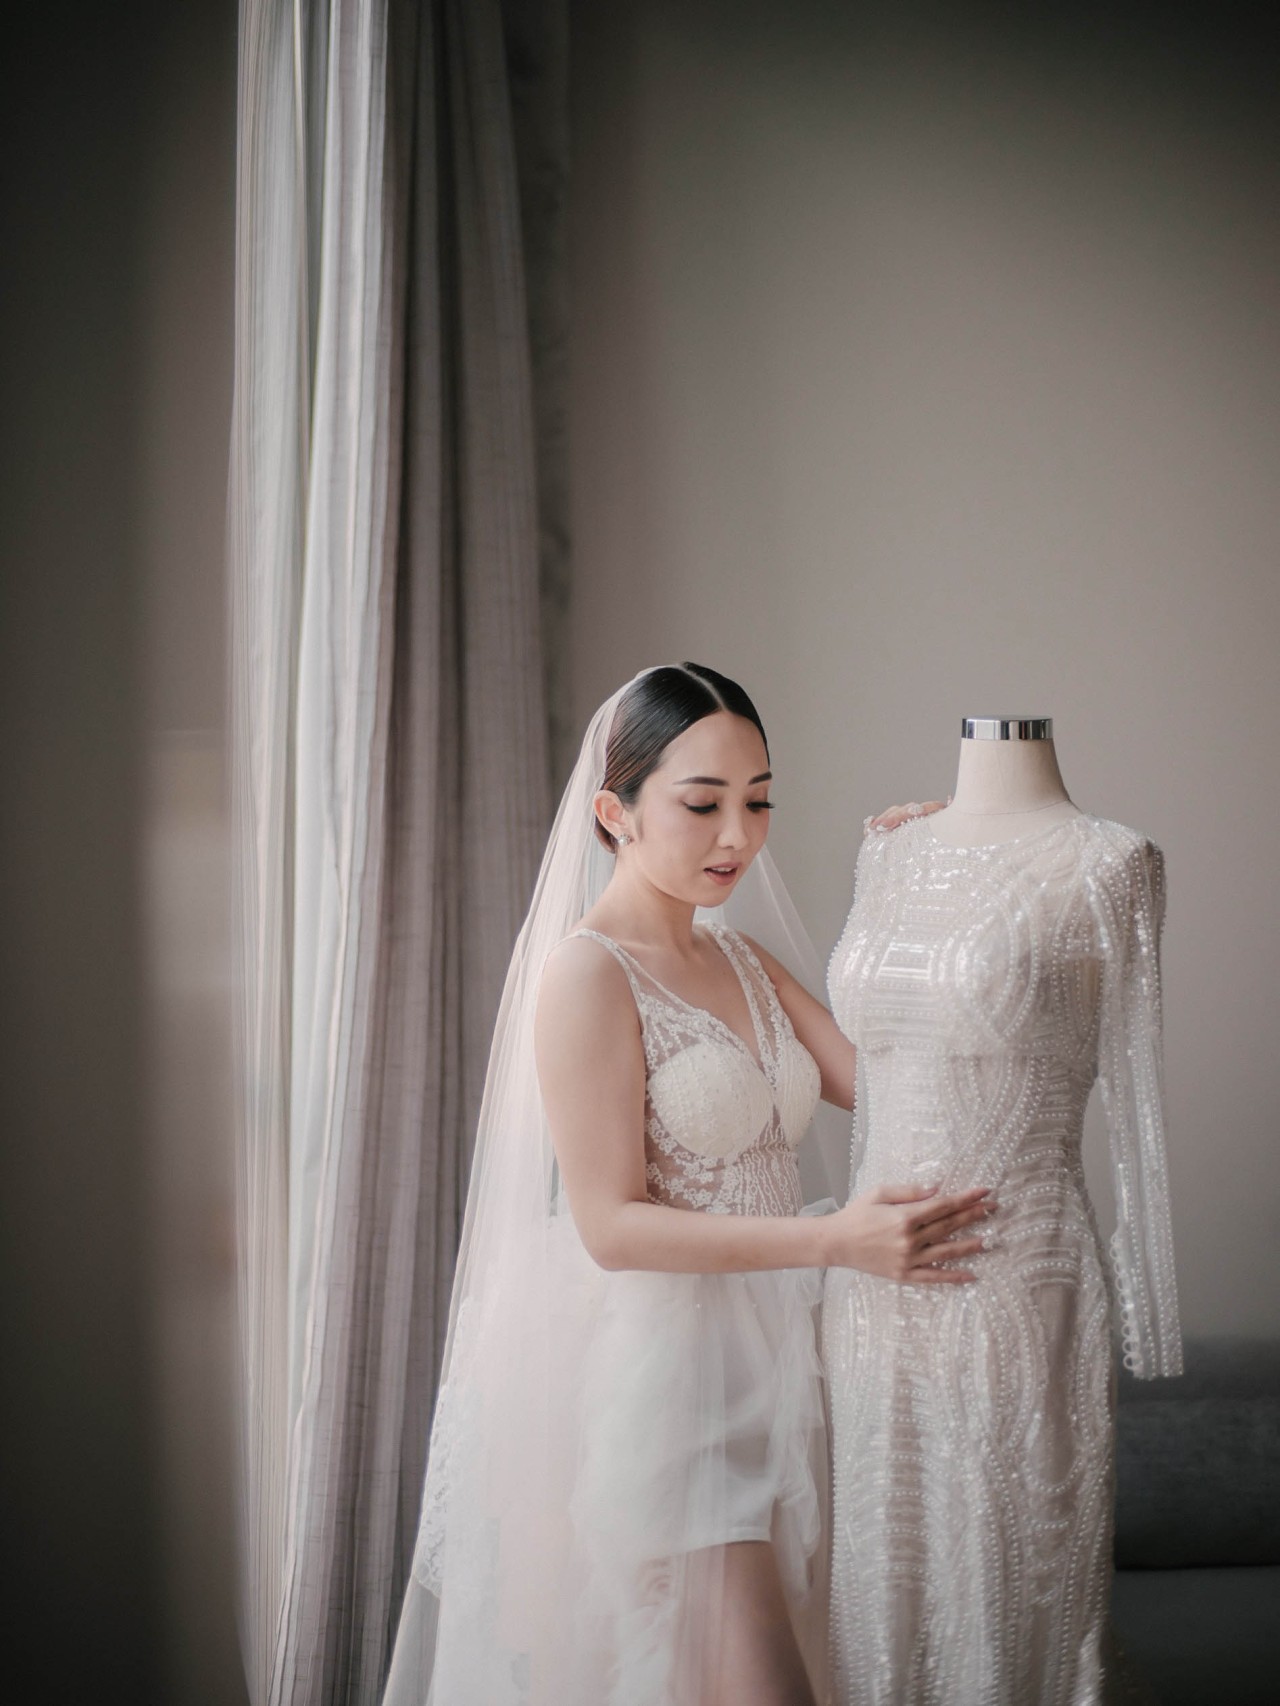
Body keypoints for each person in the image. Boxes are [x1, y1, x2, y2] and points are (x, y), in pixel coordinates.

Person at [383, 664, 996, 1706]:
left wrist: (923, 885)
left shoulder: (741, 956)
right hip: (671, 1380)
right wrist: (834, 1240)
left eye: (758, 800)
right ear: (612, 812)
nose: (737, 836)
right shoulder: (587, 974)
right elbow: (610, 1225)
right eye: (702, 803)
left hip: (786, 1362)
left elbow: (889, 1085)